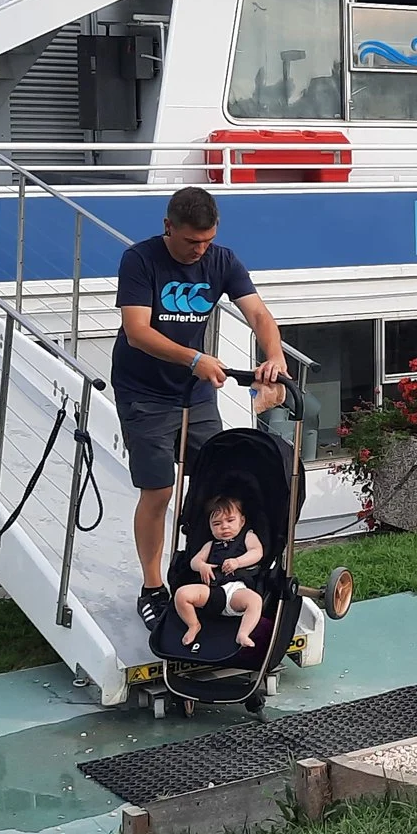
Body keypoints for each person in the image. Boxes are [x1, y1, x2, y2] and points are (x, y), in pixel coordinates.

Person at [115, 186, 285, 631]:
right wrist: (195, 359)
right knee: (159, 491)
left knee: (219, 482)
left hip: (196, 393)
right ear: (168, 227)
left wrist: (274, 356)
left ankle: (212, 571)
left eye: (207, 241)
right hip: (144, 393)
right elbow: (136, 331)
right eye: (192, 241)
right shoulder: (140, 260)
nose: (200, 250)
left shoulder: (222, 261)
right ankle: (153, 587)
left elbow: (259, 315)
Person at [172, 495, 266, 649]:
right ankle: (193, 624)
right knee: (181, 594)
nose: (224, 527)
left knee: (255, 601)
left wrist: (238, 562)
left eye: (230, 520)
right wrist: (202, 566)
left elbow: (257, 552)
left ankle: (243, 633)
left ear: (242, 521)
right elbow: (194, 562)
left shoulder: (248, 537)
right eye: (217, 523)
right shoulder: (210, 544)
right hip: (211, 590)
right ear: (210, 527)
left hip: (236, 591)